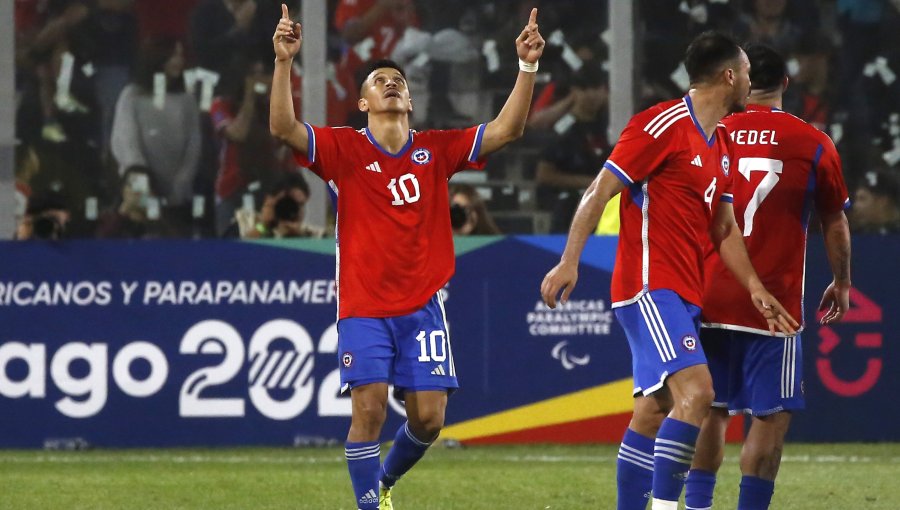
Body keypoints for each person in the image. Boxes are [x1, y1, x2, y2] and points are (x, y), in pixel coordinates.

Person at [270, 4, 544, 510]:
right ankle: (369, 505)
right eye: (379, 79)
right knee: (369, 412)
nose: (391, 83)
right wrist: (285, 61)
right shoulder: (342, 151)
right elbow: (284, 128)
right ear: (362, 101)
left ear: (411, 99)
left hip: (423, 306)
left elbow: (507, 130)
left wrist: (526, 67)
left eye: (398, 79)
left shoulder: (436, 150)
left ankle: (387, 482)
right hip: (364, 306)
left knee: (429, 421)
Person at [540, 32, 798, 510]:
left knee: (654, 409)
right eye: (744, 74)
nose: (749, 82)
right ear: (729, 76)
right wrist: (569, 259)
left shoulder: (719, 141)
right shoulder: (659, 125)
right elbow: (598, 191)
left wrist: (755, 287)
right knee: (699, 392)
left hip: (683, 292)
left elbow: (723, 228)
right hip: (648, 285)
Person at [682, 43, 853, 510]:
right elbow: (835, 220)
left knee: (711, 410)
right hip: (773, 307)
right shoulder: (812, 142)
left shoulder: (708, 130)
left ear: (740, 78)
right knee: (770, 418)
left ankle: (697, 506)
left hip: (707, 293)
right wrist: (841, 280)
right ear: (787, 84)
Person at [110, 38, 201, 209]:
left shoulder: (186, 99)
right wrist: (140, 179)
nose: (179, 61)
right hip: (139, 190)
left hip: (178, 194)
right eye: (174, 55)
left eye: (181, 55)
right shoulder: (132, 95)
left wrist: (182, 182)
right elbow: (127, 140)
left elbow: (193, 145)